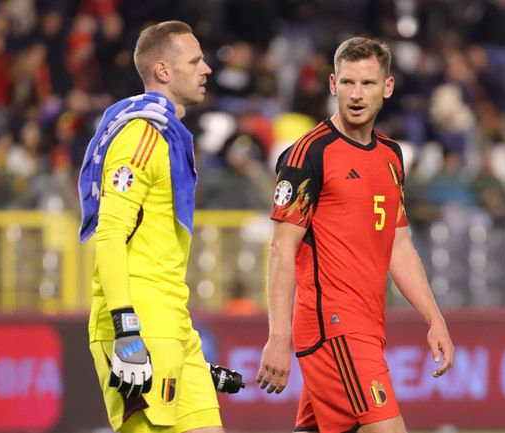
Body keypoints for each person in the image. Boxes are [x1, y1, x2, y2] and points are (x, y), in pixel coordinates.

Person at [255, 37, 455, 433]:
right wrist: (278, 336)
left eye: (367, 83)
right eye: (347, 83)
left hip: (368, 324)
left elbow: (397, 244)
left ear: (388, 87)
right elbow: (282, 248)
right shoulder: (307, 154)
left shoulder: (391, 156)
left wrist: (435, 319)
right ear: (332, 85)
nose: (356, 94)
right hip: (333, 325)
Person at [77, 21, 231, 433]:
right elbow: (109, 237)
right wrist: (127, 329)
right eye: (195, 60)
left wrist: (186, 355)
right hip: (138, 325)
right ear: (164, 71)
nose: (207, 69)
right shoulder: (140, 138)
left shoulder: (170, 138)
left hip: (175, 324)